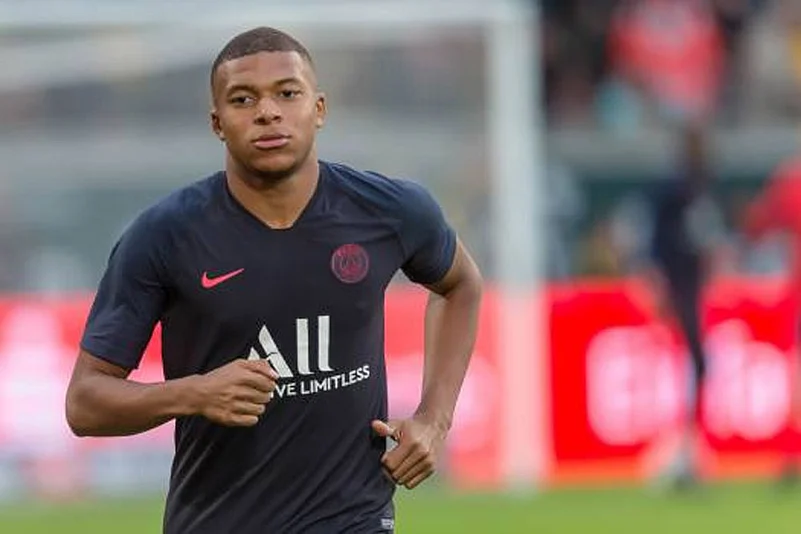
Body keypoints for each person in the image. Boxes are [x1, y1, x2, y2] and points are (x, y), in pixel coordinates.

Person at [64, 27, 483, 533]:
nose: (267, 112)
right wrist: (194, 394)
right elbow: (85, 403)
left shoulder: (390, 210)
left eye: (287, 93)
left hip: (354, 520)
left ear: (319, 109)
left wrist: (434, 419)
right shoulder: (163, 236)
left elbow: (460, 286)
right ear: (217, 123)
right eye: (243, 99)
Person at [646, 122, 723, 487]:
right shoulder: (676, 189)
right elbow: (660, 239)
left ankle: (688, 448)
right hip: (678, 284)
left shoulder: (697, 187)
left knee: (695, 361)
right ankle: (679, 450)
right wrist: (659, 279)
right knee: (688, 360)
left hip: (690, 285)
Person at [743, 155, 801, 486]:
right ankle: (791, 453)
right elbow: (758, 224)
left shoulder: (791, 181)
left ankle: (791, 454)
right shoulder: (791, 182)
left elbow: (757, 224)